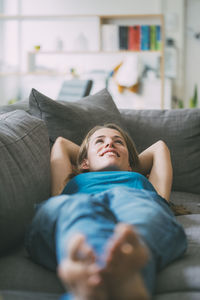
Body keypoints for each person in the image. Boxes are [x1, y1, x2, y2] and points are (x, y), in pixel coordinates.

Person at [25, 123, 187, 300]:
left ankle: (103, 284)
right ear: (84, 162)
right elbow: (61, 143)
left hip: (135, 198)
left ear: (131, 166)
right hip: (79, 201)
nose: (109, 144)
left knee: (141, 223)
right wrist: (101, 154)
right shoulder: (73, 181)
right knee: (78, 212)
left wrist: (108, 155)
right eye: (100, 141)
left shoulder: (138, 179)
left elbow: (160, 147)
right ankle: (117, 284)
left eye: (118, 142)